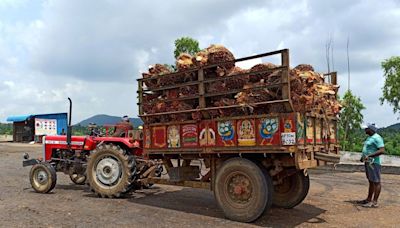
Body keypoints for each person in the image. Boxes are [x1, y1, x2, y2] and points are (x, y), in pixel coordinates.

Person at [357, 123, 385, 208]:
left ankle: (374, 202)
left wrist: (369, 156)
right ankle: (368, 199)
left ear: (371, 130)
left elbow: (382, 150)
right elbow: (367, 149)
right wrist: (363, 157)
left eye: (366, 129)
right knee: (371, 181)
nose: (365, 130)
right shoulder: (370, 138)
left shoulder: (377, 138)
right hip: (368, 162)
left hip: (374, 163)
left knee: (376, 182)